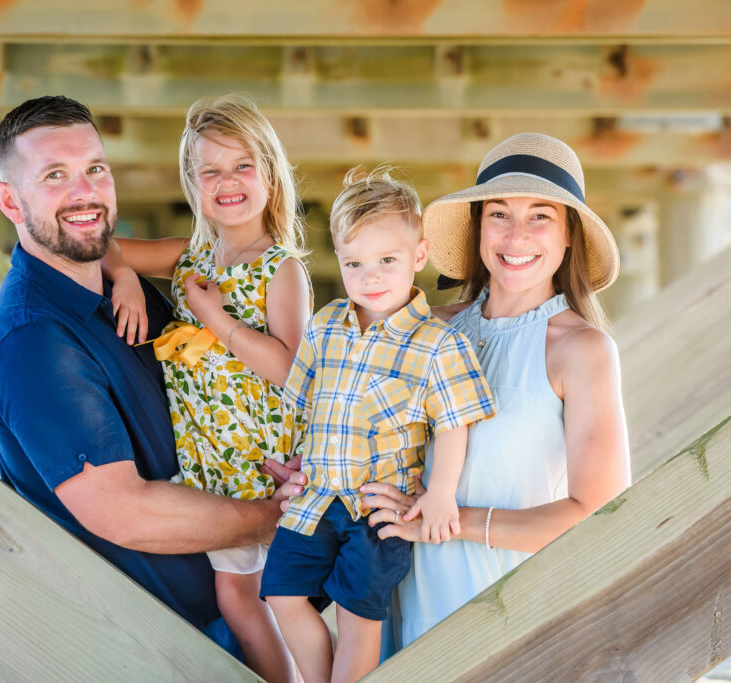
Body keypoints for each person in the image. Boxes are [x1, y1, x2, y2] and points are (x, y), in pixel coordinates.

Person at [0, 95, 287, 650]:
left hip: (223, 629)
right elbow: (125, 513)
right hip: (151, 651)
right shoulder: (33, 341)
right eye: (54, 175)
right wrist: (274, 517)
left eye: (95, 169)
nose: (84, 192)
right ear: (10, 200)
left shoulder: (124, 288)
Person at [362, 132, 632, 650]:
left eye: (540, 216)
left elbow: (598, 516)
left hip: (510, 617)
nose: (516, 236)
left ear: (570, 235)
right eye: (499, 214)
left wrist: (449, 522)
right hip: (407, 599)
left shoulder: (582, 350)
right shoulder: (424, 329)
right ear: (478, 226)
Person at [101, 94, 310, 683]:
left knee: (270, 599)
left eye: (242, 165)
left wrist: (217, 321)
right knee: (242, 600)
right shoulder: (193, 256)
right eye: (209, 171)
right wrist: (124, 278)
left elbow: (293, 368)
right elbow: (108, 249)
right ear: (192, 185)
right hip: (210, 471)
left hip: (263, 468)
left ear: (270, 172)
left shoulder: (281, 268)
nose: (227, 182)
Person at [260, 169, 496, 683]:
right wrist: (294, 460)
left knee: (357, 612)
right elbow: (305, 401)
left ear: (418, 256)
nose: (371, 277)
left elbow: (455, 424)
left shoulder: (438, 343)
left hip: (377, 507)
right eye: (354, 263)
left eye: (387, 260)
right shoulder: (325, 325)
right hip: (316, 497)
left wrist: (441, 495)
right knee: (279, 592)